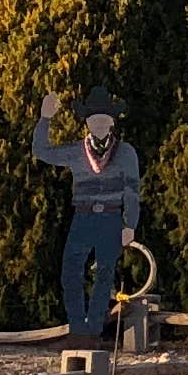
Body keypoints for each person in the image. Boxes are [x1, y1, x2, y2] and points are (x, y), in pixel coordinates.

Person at [30, 87, 146, 345]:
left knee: (104, 274)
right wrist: (45, 119)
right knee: (70, 272)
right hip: (82, 218)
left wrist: (130, 224)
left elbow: (132, 190)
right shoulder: (76, 151)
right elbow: (42, 151)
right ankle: (77, 329)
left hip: (111, 218)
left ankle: (93, 330)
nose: (100, 124)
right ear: (87, 123)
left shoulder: (125, 152)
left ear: (112, 123)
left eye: (104, 120)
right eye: (94, 120)